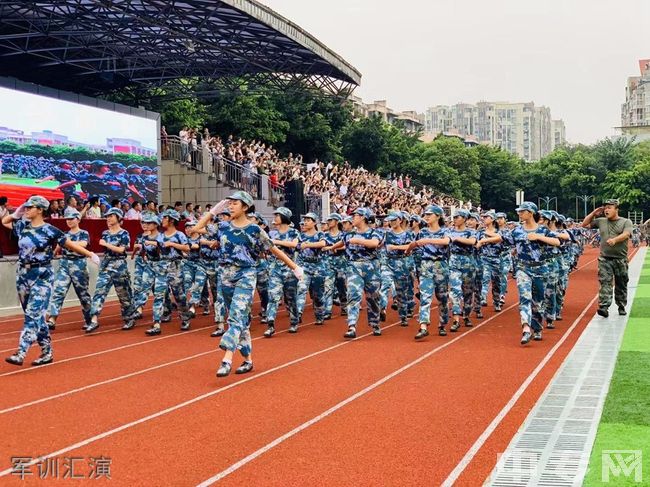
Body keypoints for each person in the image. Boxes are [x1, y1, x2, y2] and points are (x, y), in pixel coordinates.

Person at [194, 192, 303, 377]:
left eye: (235, 203)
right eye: (229, 203)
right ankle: (248, 360)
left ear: (245, 207)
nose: (230, 206)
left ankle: (227, 358)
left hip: (246, 274)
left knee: (235, 316)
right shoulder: (223, 227)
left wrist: (295, 267)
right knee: (241, 320)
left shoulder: (254, 230)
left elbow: (273, 249)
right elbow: (197, 228)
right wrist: (214, 210)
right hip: (225, 275)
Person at [2, 195, 99, 366]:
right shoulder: (23, 226)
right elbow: (4, 221)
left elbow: (69, 244)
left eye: (30, 207)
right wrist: (16, 214)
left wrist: (90, 254)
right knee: (35, 316)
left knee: (33, 313)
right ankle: (47, 351)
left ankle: (21, 351)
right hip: (23, 275)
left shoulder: (50, 230)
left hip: (42, 275)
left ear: (40, 210)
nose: (27, 209)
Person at [505, 202, 560, 345]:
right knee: (525, 297)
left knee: (538, 302)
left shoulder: (542, 230)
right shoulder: (517, 231)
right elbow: (503, 240)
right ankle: (526, 329)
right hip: (523, 268)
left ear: (530, 213)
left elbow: (557, 241)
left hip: (540, 269)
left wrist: (539, 237)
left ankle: (537, 328)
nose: (519, 214)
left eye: (522, 211)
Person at [86, 208, 138, 332]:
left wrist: (106, 244)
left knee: (124, 294)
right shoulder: (105, 233)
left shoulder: (124, 233)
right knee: (99, 291)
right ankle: (93, 319)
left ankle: (129, 317)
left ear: (118, 218)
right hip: (106, 265)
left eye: (111, 216)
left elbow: (121, 250)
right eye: (107, 216)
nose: (108, 218)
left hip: (119, 265)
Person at [582, 199, 633, 317]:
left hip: (620, 259)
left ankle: (621, 305)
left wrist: (615, 240)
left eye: (610, 207)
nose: (606, 210)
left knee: (621, 283)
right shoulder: (601, 221)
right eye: (605, 208)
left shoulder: (626, 222)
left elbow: (626, 234)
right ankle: (604, 307)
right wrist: (593, 213)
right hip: (605, 259)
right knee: (605, 282)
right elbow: (584, 224)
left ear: (616, 209)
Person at [46, 208, 92, 331]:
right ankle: (52, 318)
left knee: (83, 294)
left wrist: (68, 244)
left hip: (79, 265)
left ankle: (89, 319)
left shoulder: (83, 233)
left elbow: (83, 245)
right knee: (58, 291)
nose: (69, 221)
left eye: (71, 219)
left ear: (78, 219)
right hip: (64, 264)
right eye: (67, 219)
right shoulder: (64, 234)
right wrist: (53, 253)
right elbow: (57, 248)